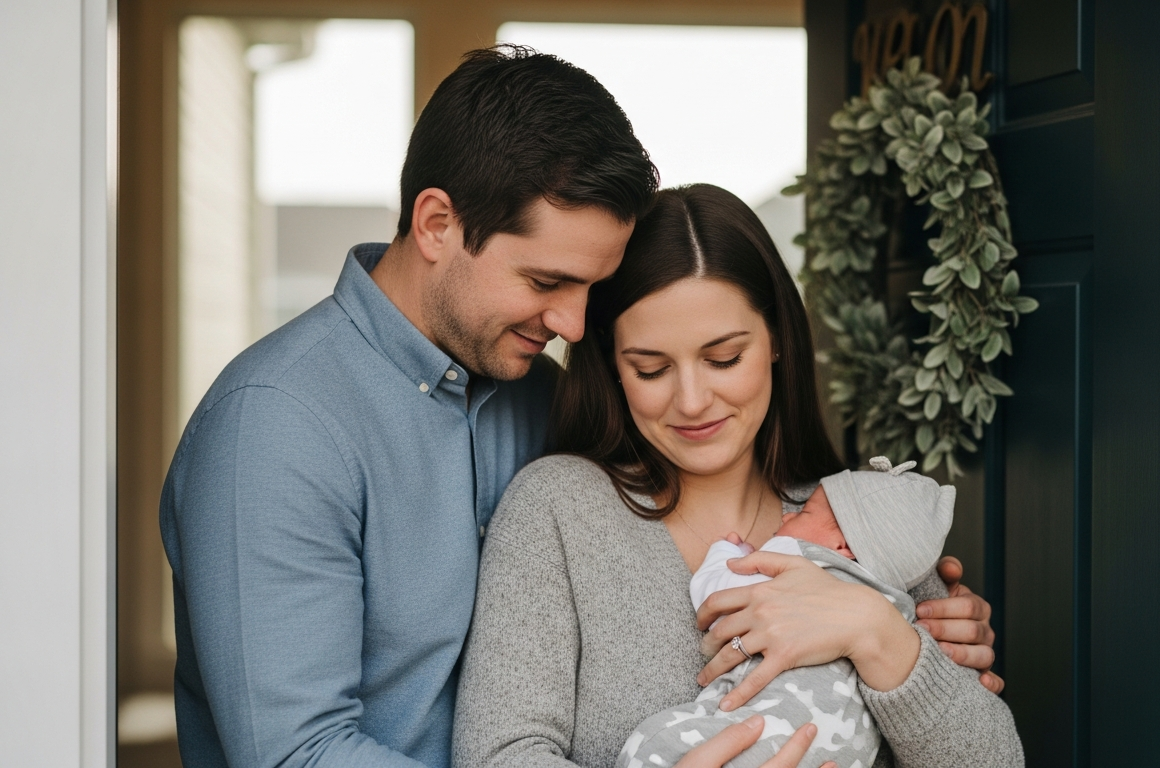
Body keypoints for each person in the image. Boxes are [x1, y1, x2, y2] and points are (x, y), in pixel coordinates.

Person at [161, 46, 999, 768]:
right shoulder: (274, 428)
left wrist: (891, 629)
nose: (571, 327)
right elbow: (293, 755)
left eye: (591, 291)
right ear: (437, 223)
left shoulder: (535, 389)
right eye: (547, 282)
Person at [452, 184, 1023, 768]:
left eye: (724, 358)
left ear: (775, 338)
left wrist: (874, 629)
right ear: (612, 364)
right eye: (650, 369)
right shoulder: (558, 512)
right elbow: (498, 755)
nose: (693, 401)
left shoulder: (858, 519)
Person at [620, 456, 958, 768]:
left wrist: (727, 553)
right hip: (842, 753)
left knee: (649, 745)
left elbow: (718, 601)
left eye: (805, 513)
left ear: (843, 548)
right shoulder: (902, 606)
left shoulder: (796, 555)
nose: (787, 515)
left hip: (764, 731)